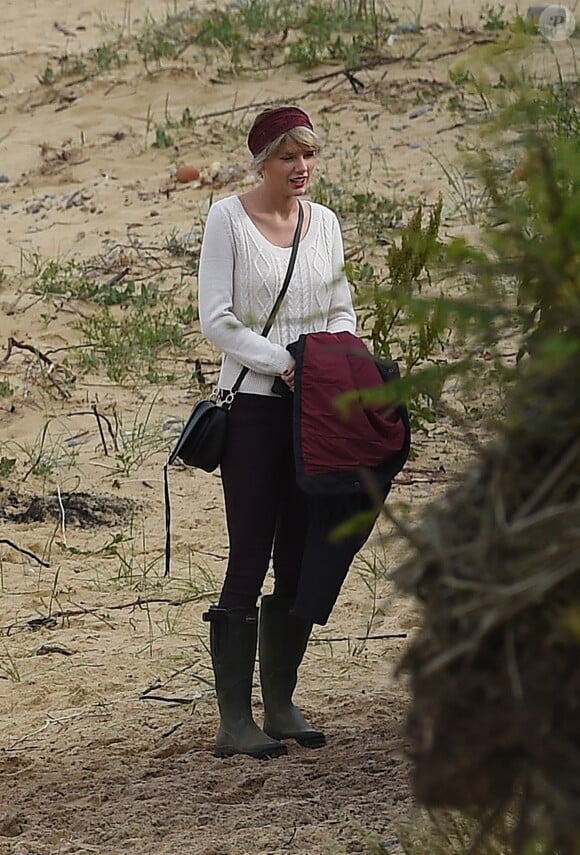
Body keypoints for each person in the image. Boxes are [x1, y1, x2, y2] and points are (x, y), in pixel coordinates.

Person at [197, 105, 357, 760]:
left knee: (300, 550)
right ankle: (234, 719)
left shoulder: (325, 224)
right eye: (289, 157)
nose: (302, 168)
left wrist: (335, 359)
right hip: (255, 410)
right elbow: (217, 319)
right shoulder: (227, 219)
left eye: (309, 155)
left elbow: (341, 306)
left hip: (314, 409)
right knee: (250, 551)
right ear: (262, 160)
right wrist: (281, 362)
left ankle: (280, 701)